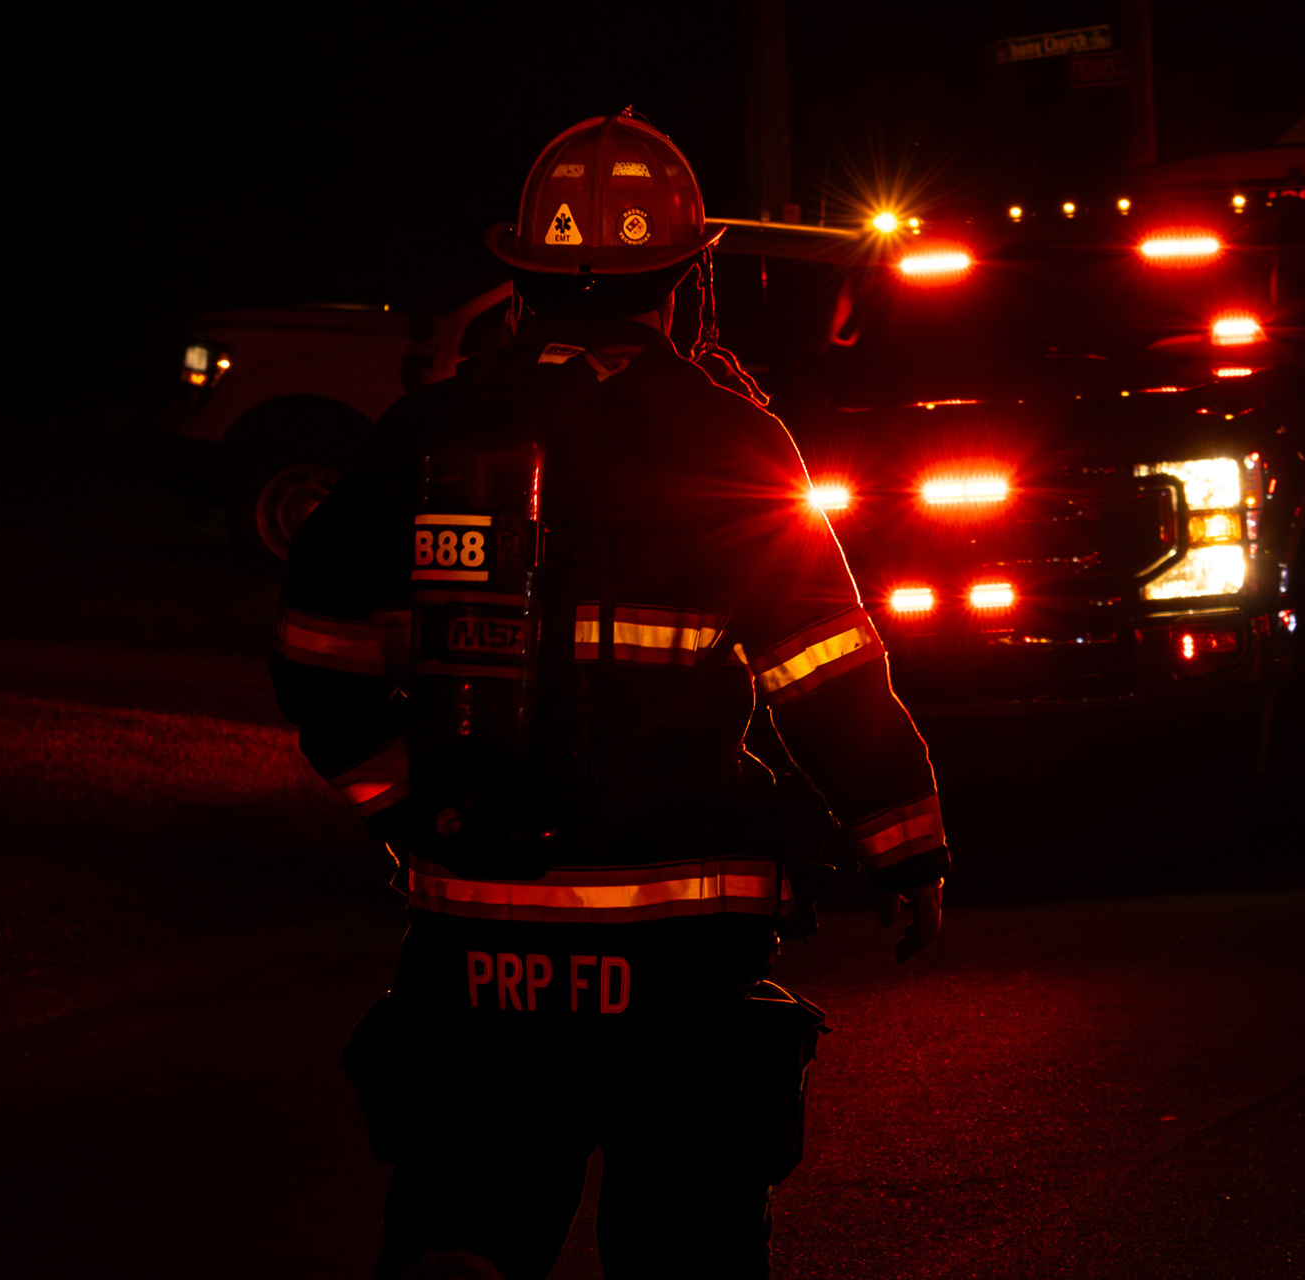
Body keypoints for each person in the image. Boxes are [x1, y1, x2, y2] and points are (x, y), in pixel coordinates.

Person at [269, 110, 947, 1280]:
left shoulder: (429, 431)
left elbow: (314, 645)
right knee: (689, 1247)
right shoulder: (733, 439)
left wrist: (407, 806)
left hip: (476, 949)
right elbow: (827, 669)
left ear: (523, 277)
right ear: (685, 279)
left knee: (460, 1233)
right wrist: (906, 849)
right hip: (683, 961)